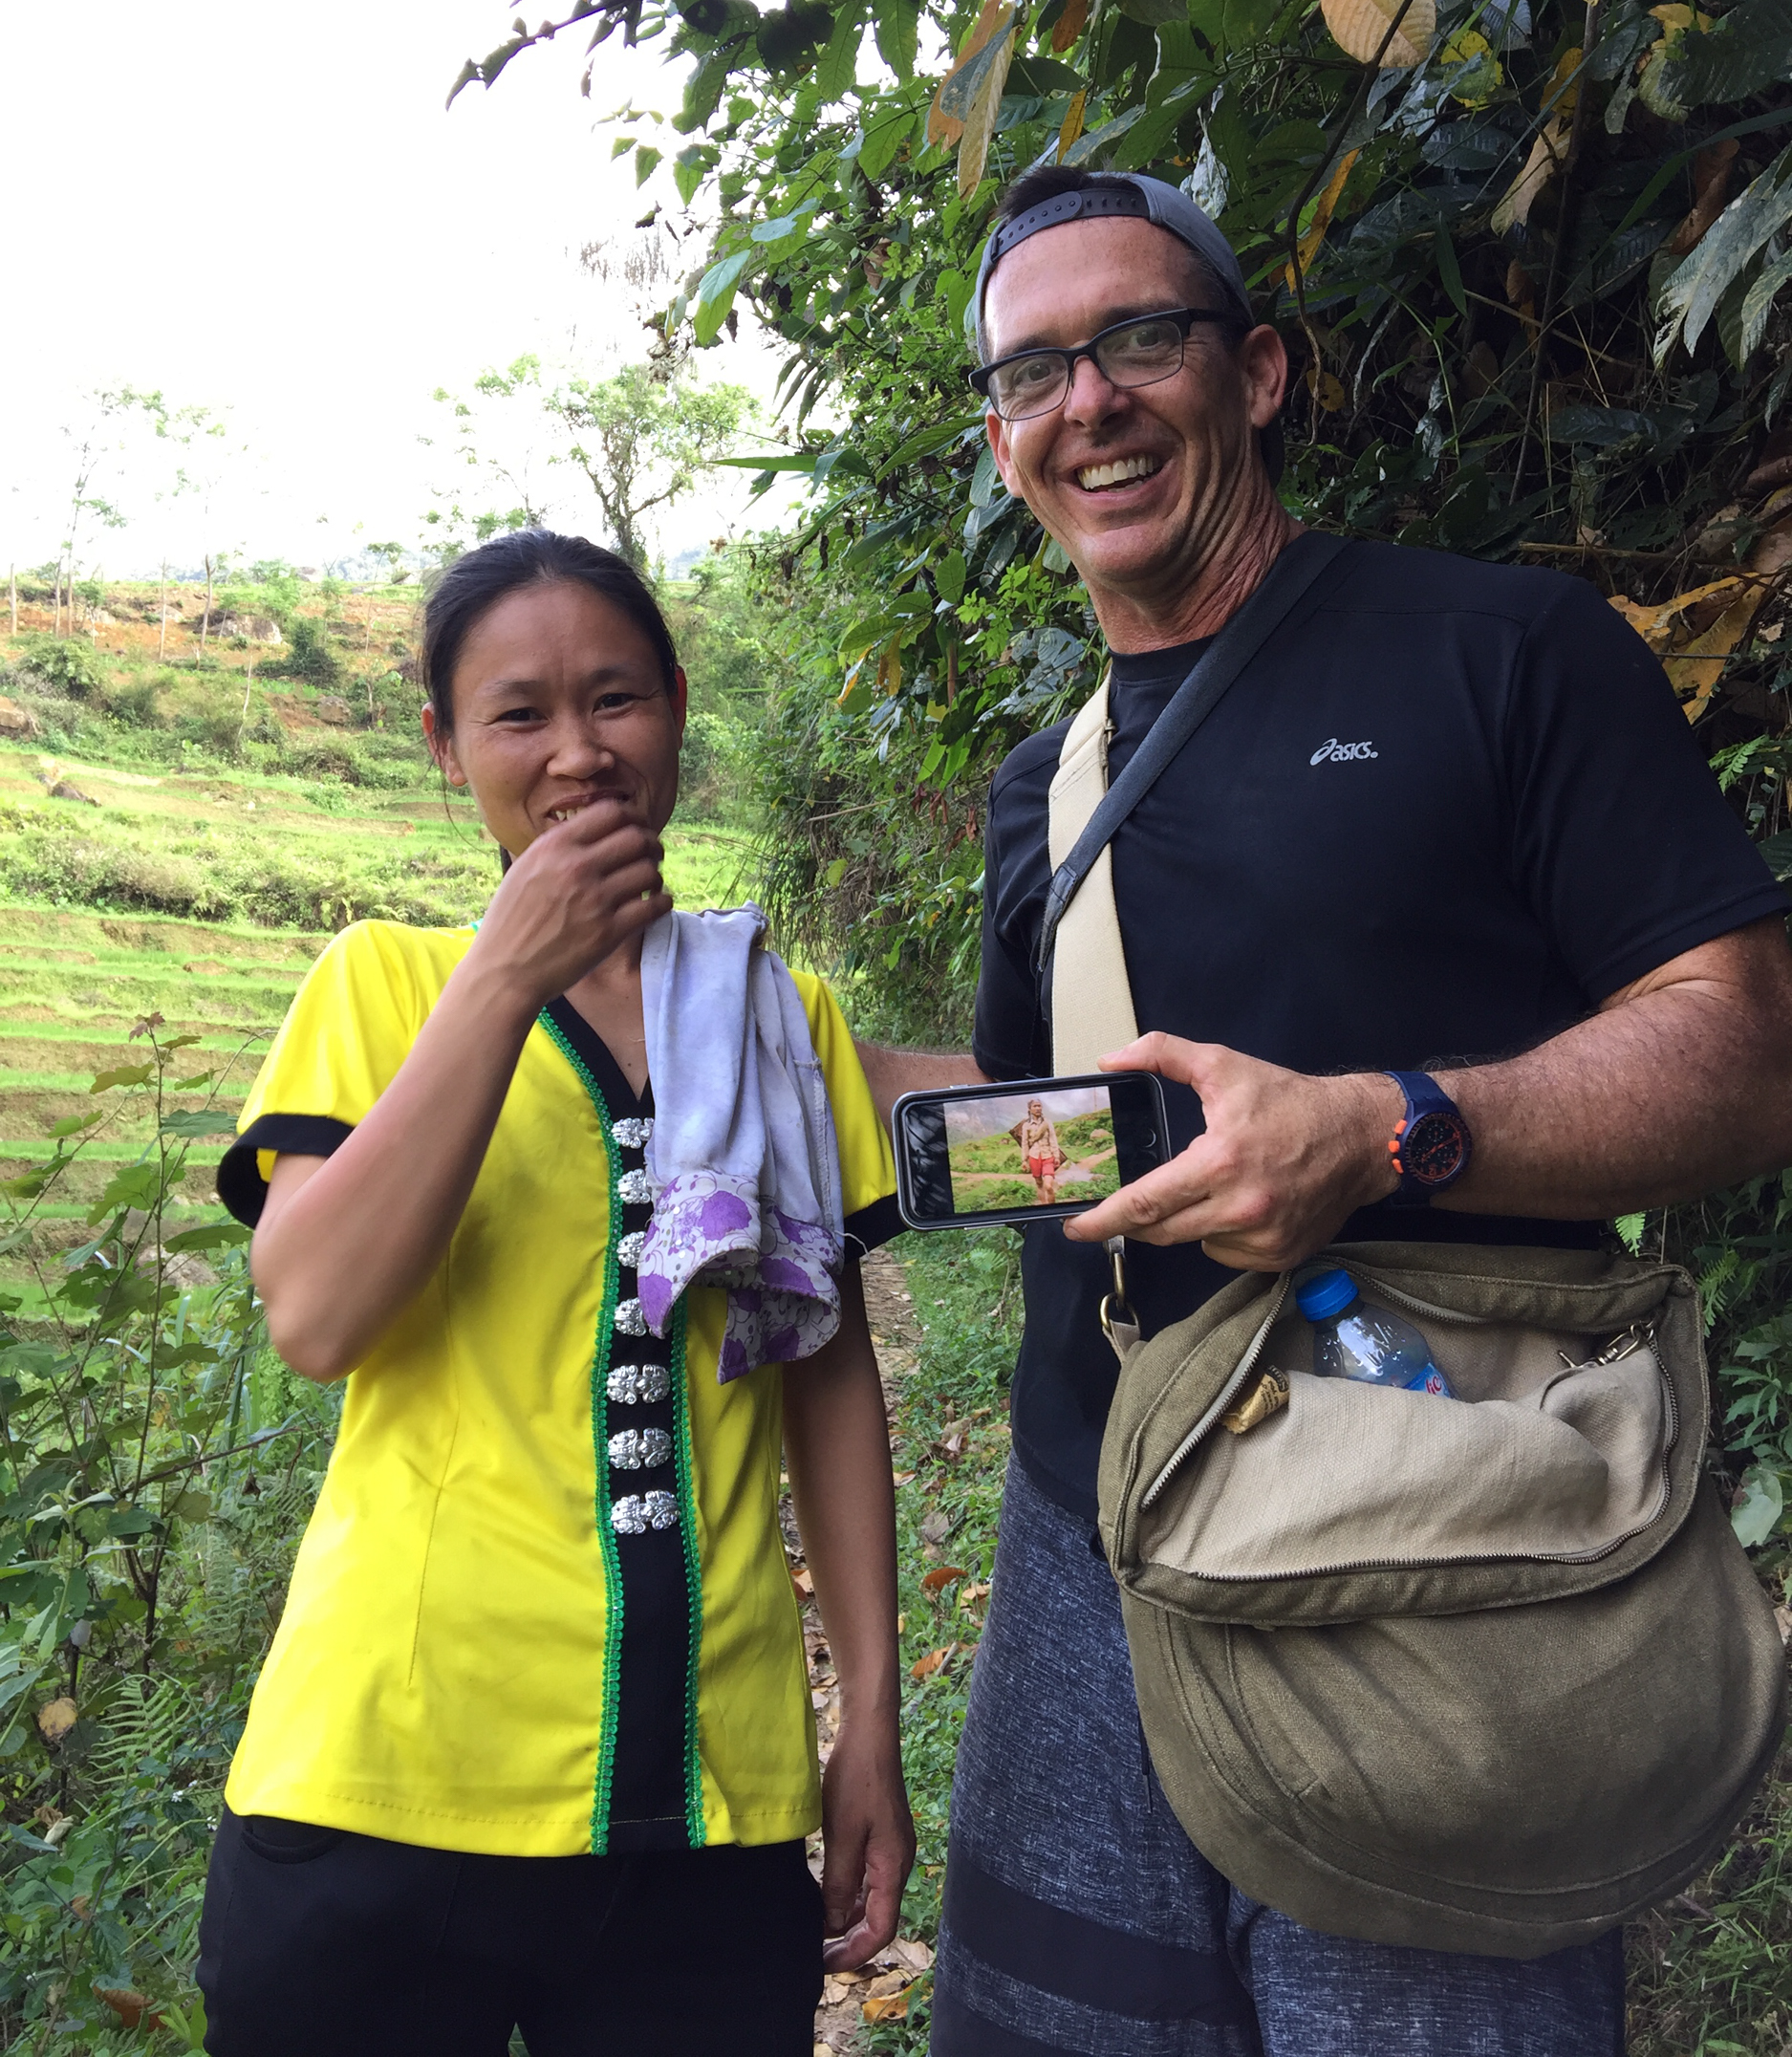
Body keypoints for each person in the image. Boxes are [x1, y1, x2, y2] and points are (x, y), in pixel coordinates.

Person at [853, 165, 1792, 2056]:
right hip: (1091, 1524)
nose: (1088, 399)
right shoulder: (1050, 785)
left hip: (1430, 1534)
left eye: (1137, 336)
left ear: (1258, 370)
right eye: (1032, 370)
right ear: (999, 436)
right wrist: (763, 1063)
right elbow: (1069, 1124)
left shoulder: (1498, 655)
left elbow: (1745, 1049)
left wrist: (1383, 1129)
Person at [199, 530, 912, 2057]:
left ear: (671, 709)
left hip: (708, 1821)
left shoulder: (777, 1014)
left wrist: (872, 1723)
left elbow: (825, 1374)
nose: (577, 754)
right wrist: (504, 977)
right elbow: (316, 1319)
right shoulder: (382, 988)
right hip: (382, 1799)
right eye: (518, 714)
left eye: (615, 700)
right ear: (446, 746)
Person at [1013, 1098, 1064, 1203]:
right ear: (1030, 1109)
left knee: (1048, 1186)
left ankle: (1053, 1210)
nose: (1037, 1108)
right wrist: (1024, 1160)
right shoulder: (1026, 1125)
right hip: (1034, 1157)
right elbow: (1025, 1143)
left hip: (1048, 1156)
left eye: (1039, 1106)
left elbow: (1053, 1140)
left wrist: (1057, 1156)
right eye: (1035, 1106)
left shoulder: (1047, 1123)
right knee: (1039, 1184)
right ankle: (1044, 1208)